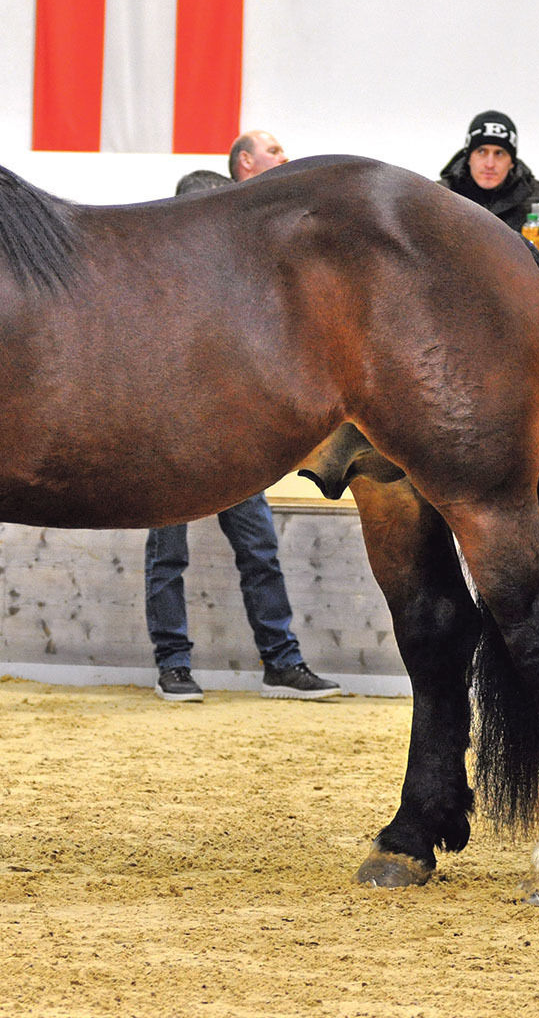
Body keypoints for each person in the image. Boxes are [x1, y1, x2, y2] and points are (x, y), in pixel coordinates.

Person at [146, 136, 341, 703]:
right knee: (178, 555)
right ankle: (182, 664)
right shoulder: (163, 288)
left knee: (251, 552)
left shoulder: (237, 287)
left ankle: (274, 662)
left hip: (228, 436)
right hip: (180, 437)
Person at [436, 110, 539, 261]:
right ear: (468, 158)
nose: (490, 164)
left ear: (512, 161)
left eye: (499, 153)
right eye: (481, 152)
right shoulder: (438, 196)